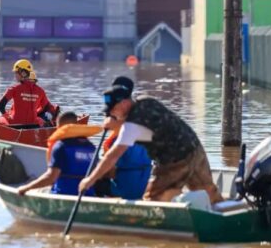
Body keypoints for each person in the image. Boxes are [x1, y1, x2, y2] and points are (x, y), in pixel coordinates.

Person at [79, 76, 224, 204]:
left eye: (112, 109)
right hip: (194, 147)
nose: (111, 113)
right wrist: (118, 122)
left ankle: (159, 222)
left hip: (175, 160)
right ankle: (223, 213)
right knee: (208, 191)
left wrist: (90, 179)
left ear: (124, 104)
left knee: (153, 199)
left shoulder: (130, 128)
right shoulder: (146, 100)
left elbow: (112, 157)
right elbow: (146, 124)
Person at [17, 111, 101, 196]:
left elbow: (50, 178)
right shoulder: (91, 147)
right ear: (77, 125)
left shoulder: (61, 146)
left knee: (37, 190)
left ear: (60, 127)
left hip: (63, 193)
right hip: (87, 194)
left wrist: (25, 188)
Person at [93, 129, 152, 200]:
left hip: (123, 191)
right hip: (141, 191)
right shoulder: (147, 140)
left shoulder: (117, 141)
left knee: (96, 181)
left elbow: (110, 172)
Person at [0, 59, 52, 127]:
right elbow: (46, 107)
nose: (15, 75)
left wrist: (6, 116)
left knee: (0, 119)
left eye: (16, 72)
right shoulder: (40, 91)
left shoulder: (14, 88)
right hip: (33, 124)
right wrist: (36, 113)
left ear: (23, 73)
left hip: (15, 124)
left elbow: (1, 105)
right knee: (40, 120)